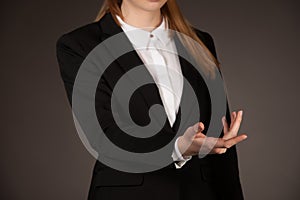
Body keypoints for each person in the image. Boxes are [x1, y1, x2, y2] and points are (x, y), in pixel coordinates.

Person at [56, 0, 247, 199]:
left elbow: (222, 153)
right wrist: (175, 148)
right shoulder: (80, 44)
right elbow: (103, 135)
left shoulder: (200, 41)